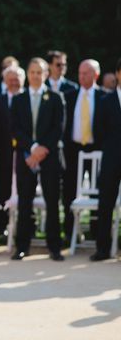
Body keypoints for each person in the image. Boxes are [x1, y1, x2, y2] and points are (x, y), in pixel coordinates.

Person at [11, 57, 65, 261]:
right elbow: (15, 128)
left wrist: (41, 150)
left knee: (52, 203)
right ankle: (22, 247)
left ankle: (55, 248)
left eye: (39, 72)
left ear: (46, 74)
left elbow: (58, 128)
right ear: (28, 74)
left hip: (50, 157)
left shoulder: (56, 97)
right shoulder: (19, 99)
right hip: (26, 158)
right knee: (25, 203)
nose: (35, 76)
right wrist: (32, 148)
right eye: (32, 72)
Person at [62, 60, 104, 243]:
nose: (82, 76)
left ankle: (97, 234)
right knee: (69, 192)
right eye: (79, 73)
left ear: (96, 75)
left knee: (97, 193)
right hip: (73, 150)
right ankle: (70, 233)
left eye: (86, 73)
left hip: (96, 150)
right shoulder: (69, 96)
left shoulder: (104, 97)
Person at [91, 59, 121, 261]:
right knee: (105, 203)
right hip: (111, 158)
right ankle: (103, 249)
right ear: (118, 73)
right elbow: (98, 131)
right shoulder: (104, 101)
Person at [0, 65, 25, 234]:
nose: (14, 82)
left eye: (17, 79)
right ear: (5, 81)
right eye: (10, 79)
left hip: (24, 152)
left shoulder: (28, 99)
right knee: (2, 188)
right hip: (2, 153)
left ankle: (24, 228)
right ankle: (1, 226)